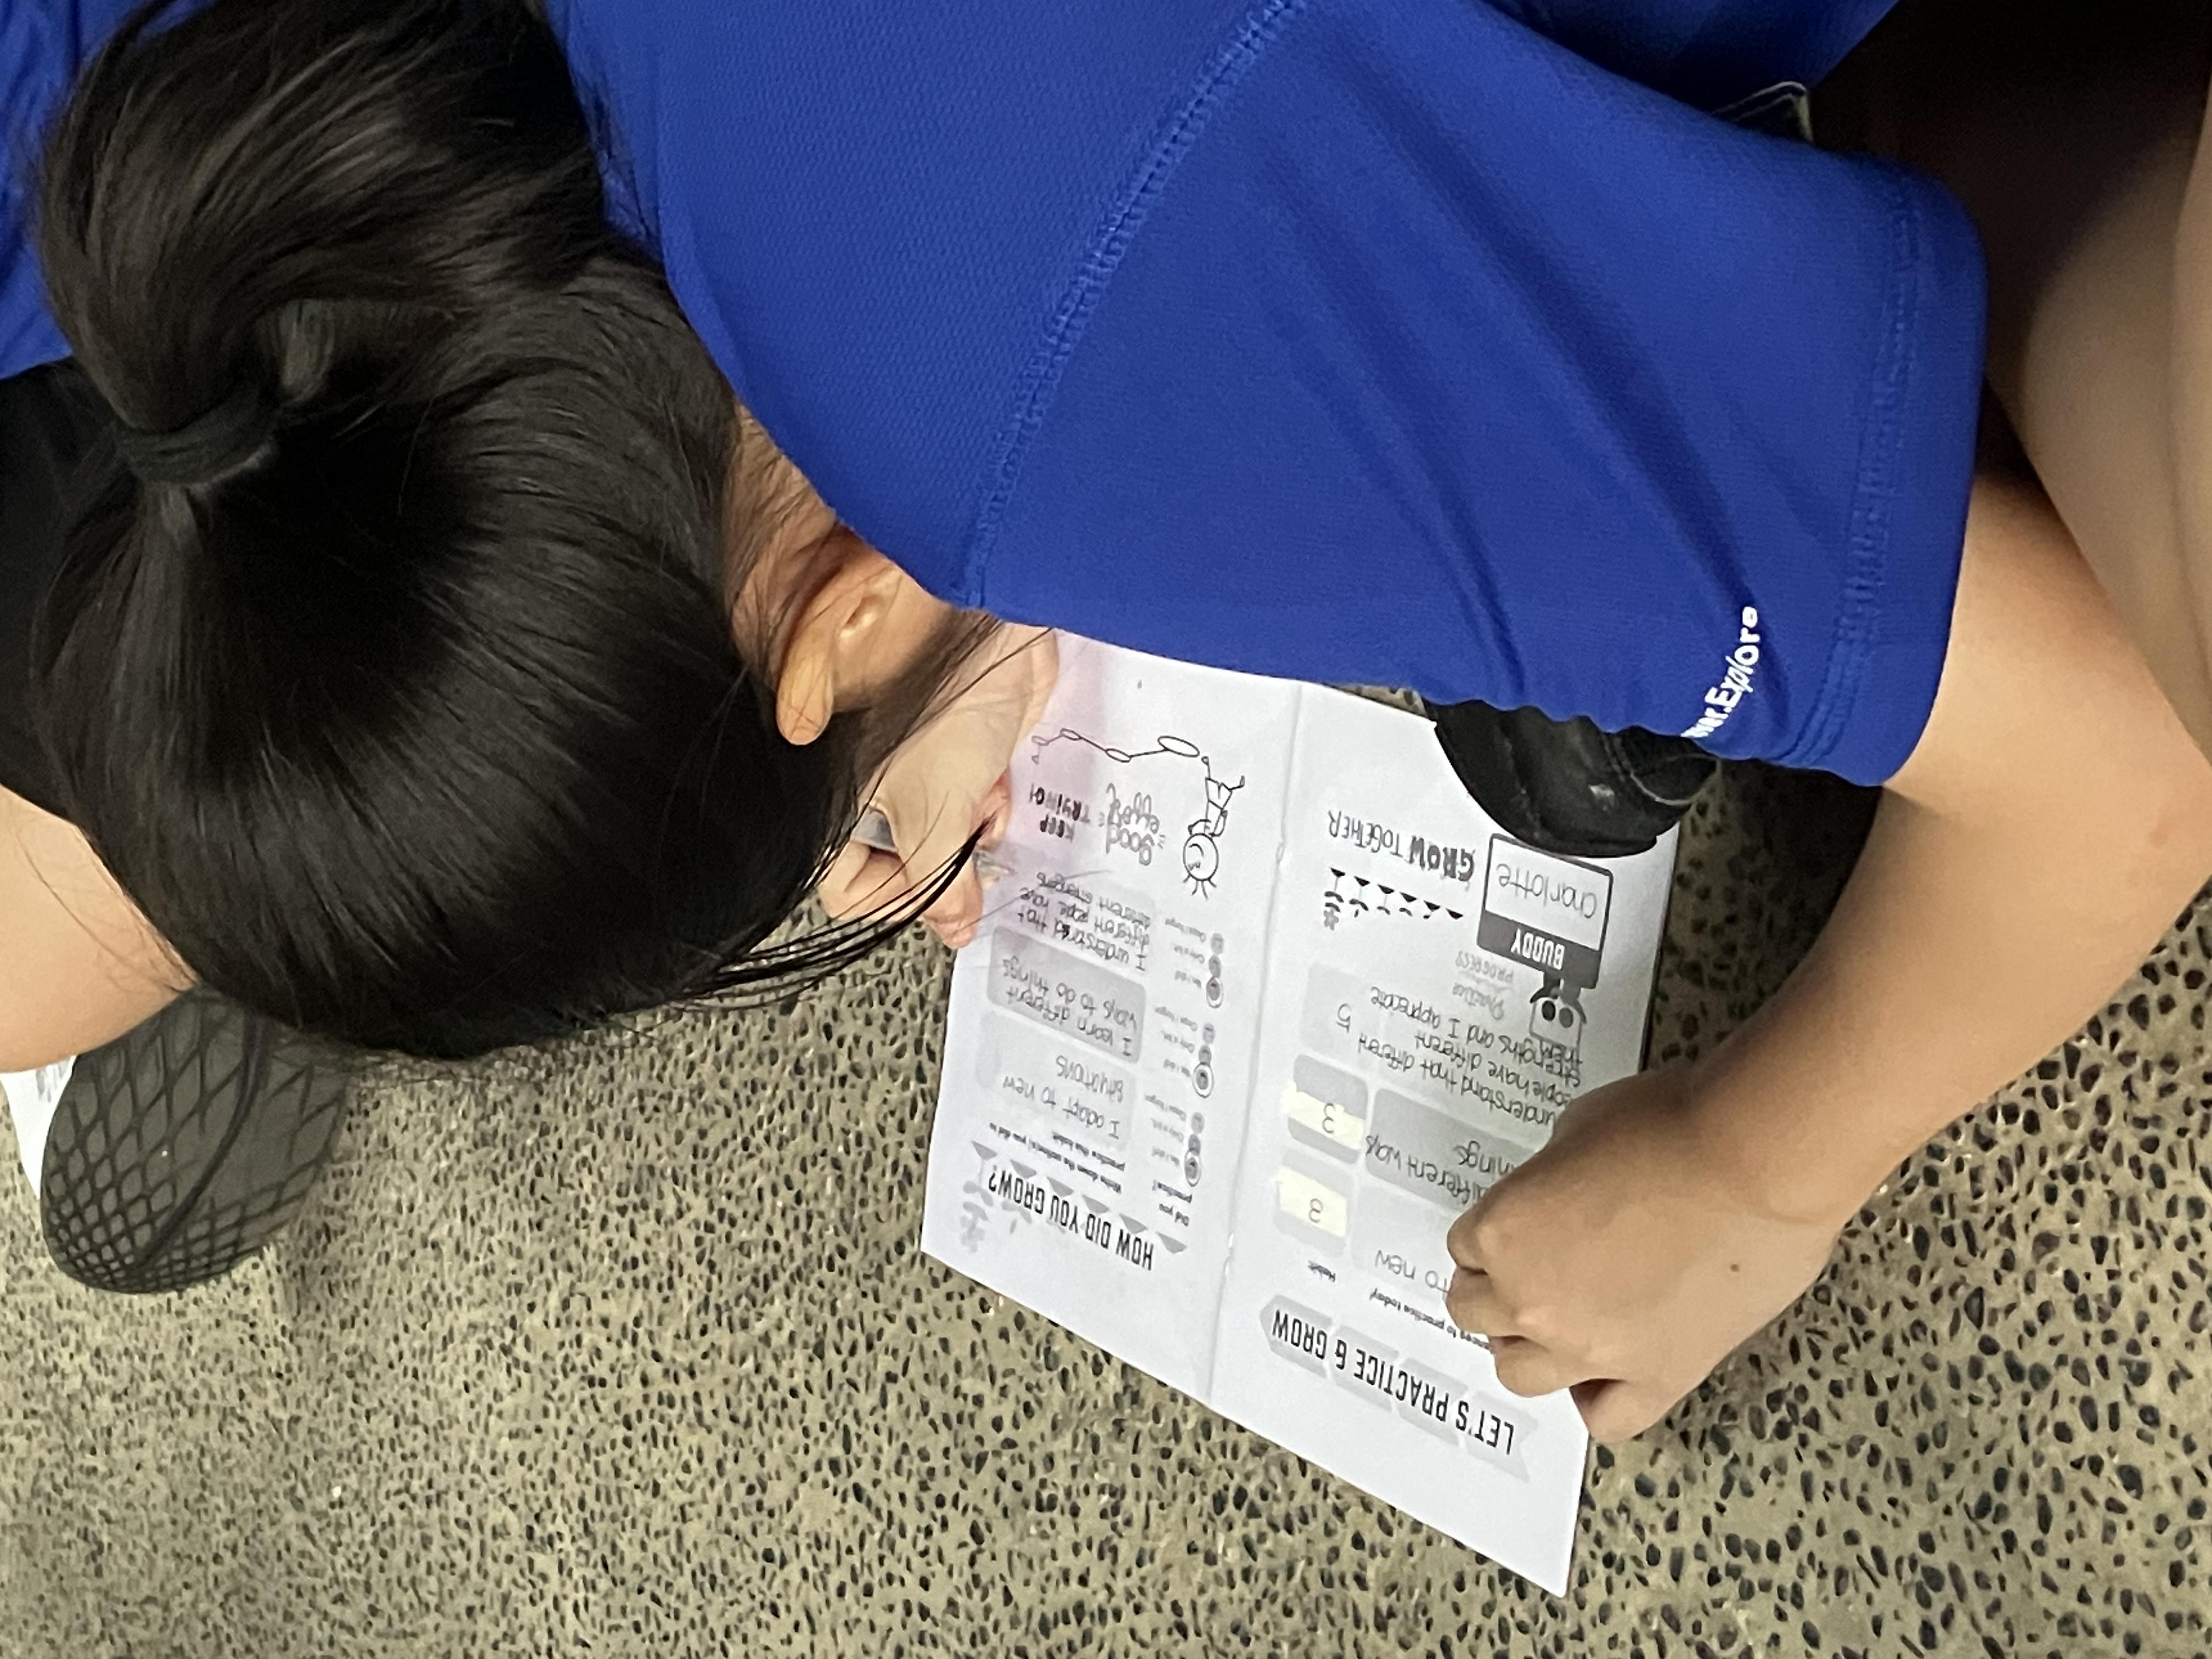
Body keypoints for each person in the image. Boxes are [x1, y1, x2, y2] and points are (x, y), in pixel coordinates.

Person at [2, 0, 2209, 1437]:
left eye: (842, 840)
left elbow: (2109, 758)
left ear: (834, 626)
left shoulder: (1013, 389)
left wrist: (1754, 1170)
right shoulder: (480, 118)